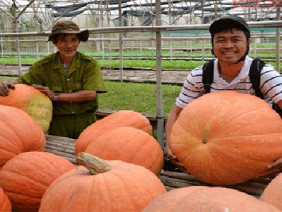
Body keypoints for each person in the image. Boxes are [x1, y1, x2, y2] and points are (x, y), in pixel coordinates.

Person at [165, 15, 282, 174]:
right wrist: (170, 146)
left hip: (257, 154)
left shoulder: (263, 74)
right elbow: (177, 113)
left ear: (248, 43)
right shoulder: (201, 75)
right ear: (212, 44)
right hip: (211, 157)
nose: (228, 45)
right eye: (221, 40)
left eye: (235, 39)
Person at [0, 20, 107, 139]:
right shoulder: (43, 66)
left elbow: (90, 94)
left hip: (86, 121)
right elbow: (22, 82)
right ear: (54, 42)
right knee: (59, 154)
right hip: (58, 124)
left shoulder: (89, 64)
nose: (69, 45)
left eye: (73, 40)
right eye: (63, 41)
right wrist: (7, 84)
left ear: (78, 41)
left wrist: (55, 96)